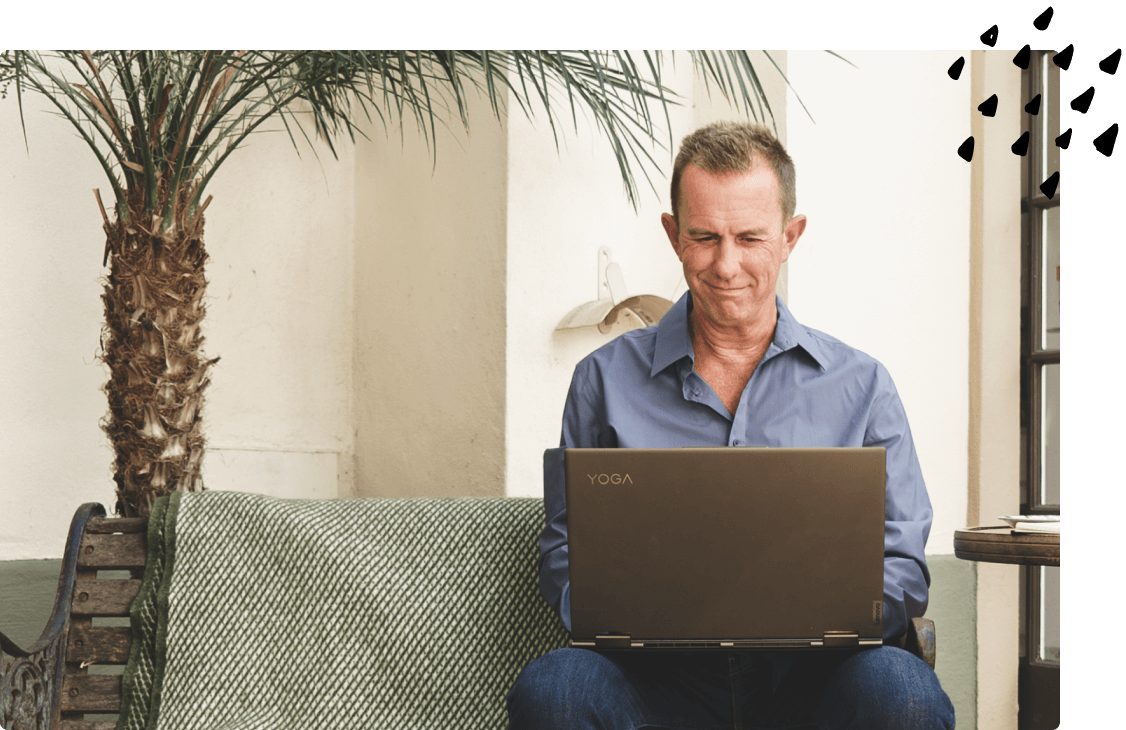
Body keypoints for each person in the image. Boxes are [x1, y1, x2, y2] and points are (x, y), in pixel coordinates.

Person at [506, 122, 955, 729]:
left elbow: (903, 561)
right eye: (704, 237)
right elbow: (566, 556)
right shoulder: (602, 381)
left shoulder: (863, 386)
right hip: (657, 686)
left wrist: (809, 616)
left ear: (790, 237)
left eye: (749, 237)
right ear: (673, 235)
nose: (726, 264)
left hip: (816, 681)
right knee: (555, 687)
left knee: (902, 689)